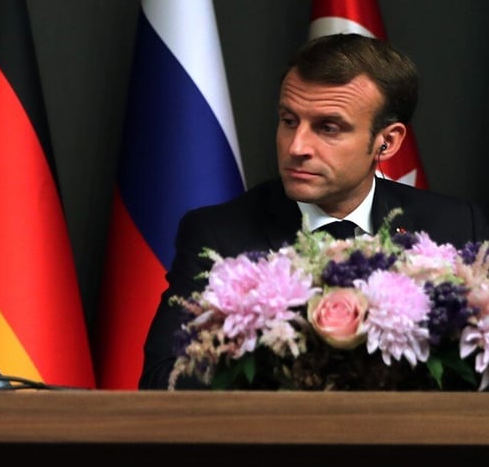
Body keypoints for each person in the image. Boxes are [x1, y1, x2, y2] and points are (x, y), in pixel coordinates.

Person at [139, 33, 489, 390]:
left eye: (328, 127)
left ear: (388, 141)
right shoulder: (218, 234)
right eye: (289, 120)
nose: (297, 146)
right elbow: (164, 380)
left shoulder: (457, 225)